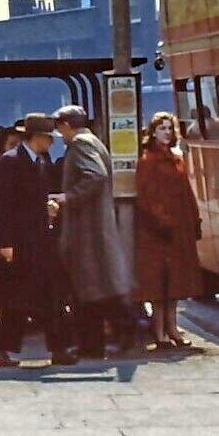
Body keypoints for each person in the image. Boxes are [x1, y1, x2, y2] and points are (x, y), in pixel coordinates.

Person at [0, 113, 76, 367]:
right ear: (37, 137)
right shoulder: (10, 162)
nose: (51, 143)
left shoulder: (41, 161)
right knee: (19, 298)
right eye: (49, 138)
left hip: (41, 240)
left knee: (51, 295)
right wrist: (5, 243)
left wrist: (46, 205)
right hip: (21, 242)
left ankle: (58, 347)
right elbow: (3, 206)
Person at [51, 105, 137, 357]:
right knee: (93, 288)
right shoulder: (93, 141)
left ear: (67, 125)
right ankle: (93, 343)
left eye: (60, 128)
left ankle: (120, 331)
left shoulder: (80, 144)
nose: (60, 135)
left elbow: (95, 175)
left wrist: (69, 196)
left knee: (92, 286)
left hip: (88, 228)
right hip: (93, 226)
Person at [135, 112, 202, 349]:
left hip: (178, 225)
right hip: (158, 230)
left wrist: (194, 218)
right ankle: (160, 330)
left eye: (169, 128)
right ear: (153, 132)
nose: (167, 132)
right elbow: (147, 196)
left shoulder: (177, 157)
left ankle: (172, 327)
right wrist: (162, 220)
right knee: (159, 282)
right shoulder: (148, 160)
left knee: (176, 281)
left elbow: (186, 190)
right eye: (162, 128)